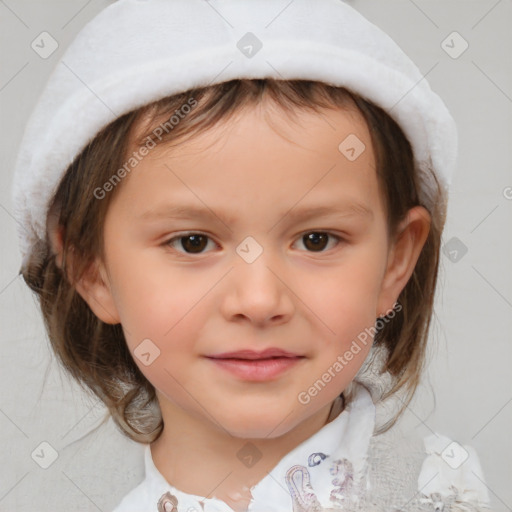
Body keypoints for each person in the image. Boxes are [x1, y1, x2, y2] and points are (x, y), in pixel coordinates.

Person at [11, 0, 492, 511]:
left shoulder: (446, 496)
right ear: (92, 270)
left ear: (396, 261)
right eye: (193, 242)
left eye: (316, 240)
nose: (259, 301)